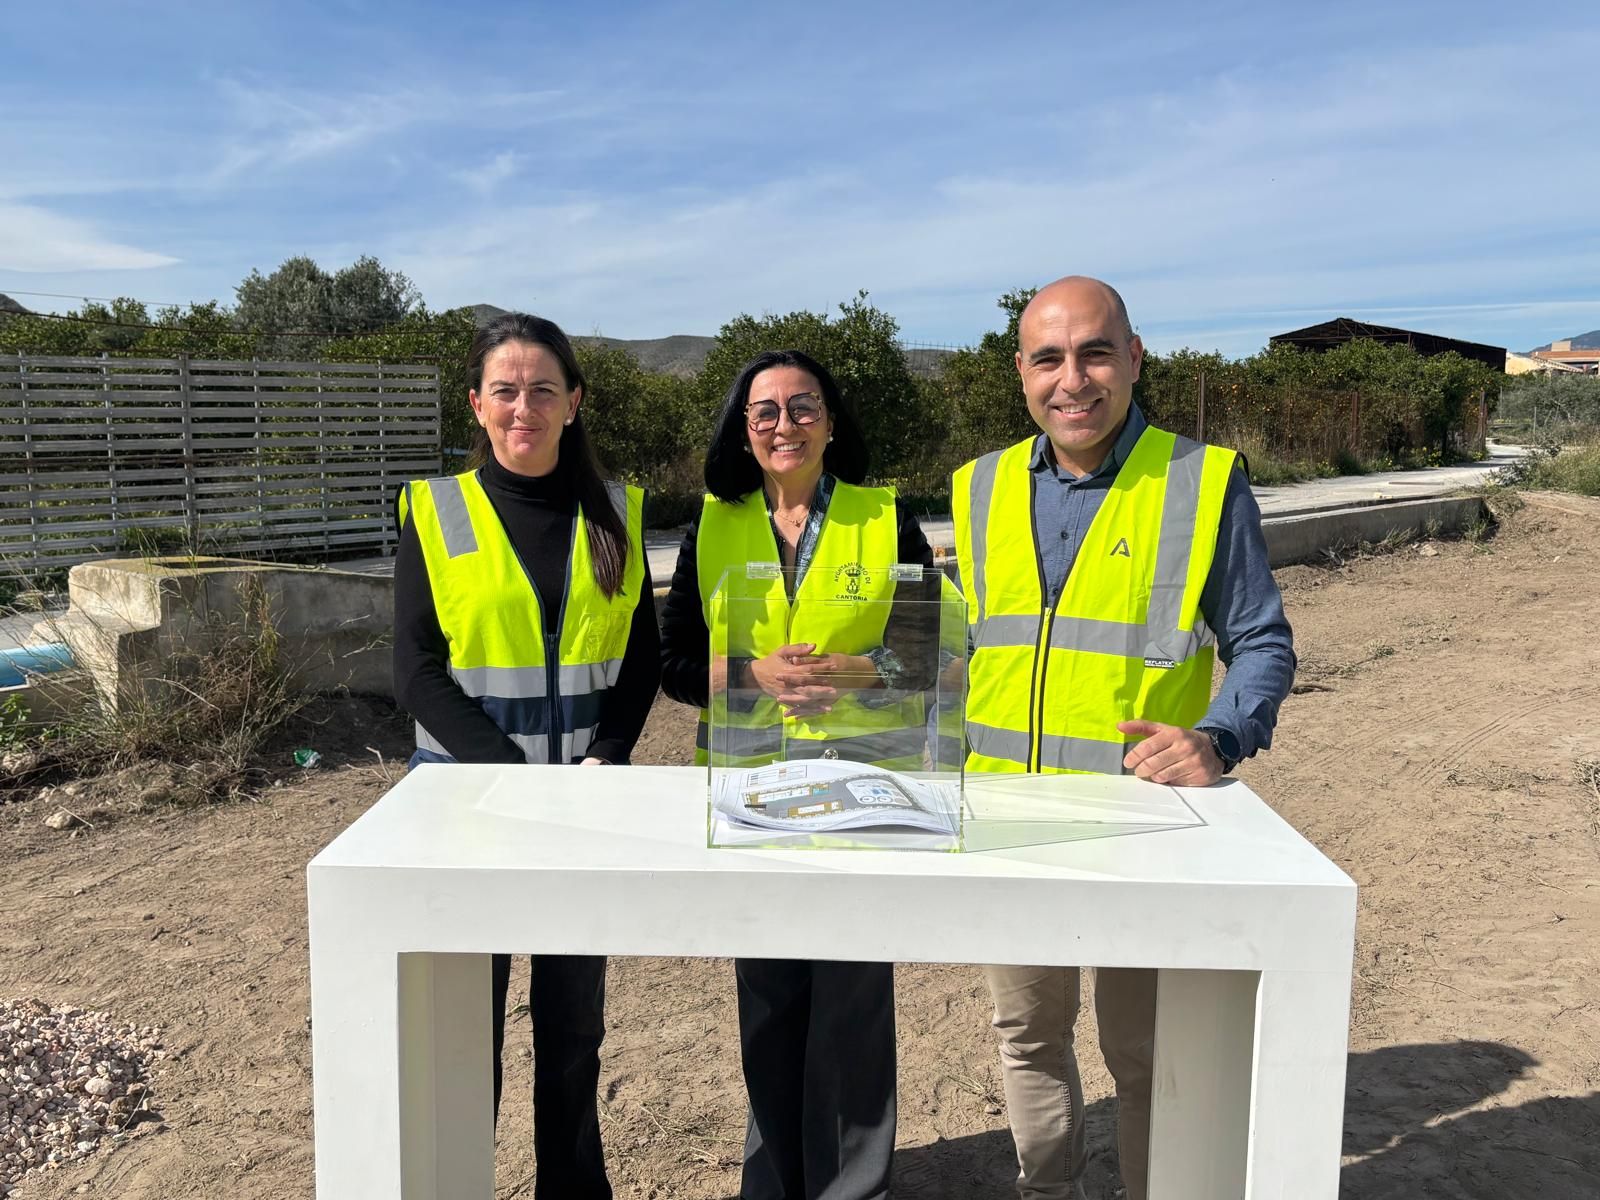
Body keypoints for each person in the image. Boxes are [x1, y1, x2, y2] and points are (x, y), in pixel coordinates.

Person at [952, 276, 1296, 1200]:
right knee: (1027, 1036)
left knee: (1143, 1053)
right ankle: (1049, 1189)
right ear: (1020, 372)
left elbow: (1260, 639)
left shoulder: (1198, 480)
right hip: (1011, 819)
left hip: (1143, 827)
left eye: (1097, 352)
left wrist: (1219, 737)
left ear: (1135, 357)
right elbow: (977, 646)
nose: (1075, 379)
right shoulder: (977, 489)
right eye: (1050, 358)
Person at [392, 312, 659, 1200]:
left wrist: (610, 754)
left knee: (574, 1029)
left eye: (543, 389)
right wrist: (509, 778)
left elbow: (640, 660)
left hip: (584, 813)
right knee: (467, 1031)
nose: (524, 407)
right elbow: (418, 672)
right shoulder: (435, 512)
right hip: (469, 817)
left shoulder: (617, 510)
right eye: (504, 390)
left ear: (574, 402)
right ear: (477, 403)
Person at [659, 349, 935, 1200]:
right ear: (744, 433)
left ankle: (853, 1186)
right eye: (765, 412)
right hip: (751, 792)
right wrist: (753, 673)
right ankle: (775, 1180)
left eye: (803, 407)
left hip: (861, 784)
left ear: (831, 419)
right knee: (771, 999)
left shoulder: (883, 517)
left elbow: (930, 655)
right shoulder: (714, 524)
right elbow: (672, 665)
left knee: (851, 1000)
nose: (785, 425)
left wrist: (862, 671)